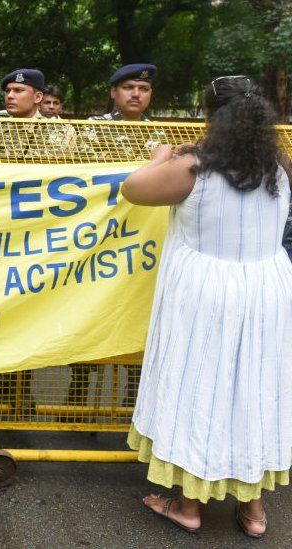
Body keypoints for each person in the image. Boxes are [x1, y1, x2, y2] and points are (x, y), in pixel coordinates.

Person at [122, 75, 292, 538]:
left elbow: (133, 189)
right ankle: (254, 512)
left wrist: (160, 155)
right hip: (266, 290)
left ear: (210, 117)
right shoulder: (280, 165)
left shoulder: (194, 168)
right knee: (254, 391)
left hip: (207, 294)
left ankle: (187, 506)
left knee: (200, 387)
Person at [90, 63, 156, 121]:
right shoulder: (95, 127)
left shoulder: (158, 133)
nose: (136, 94)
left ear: (150, 93)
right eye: (128, 87)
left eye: (144, 89)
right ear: (113, 92)